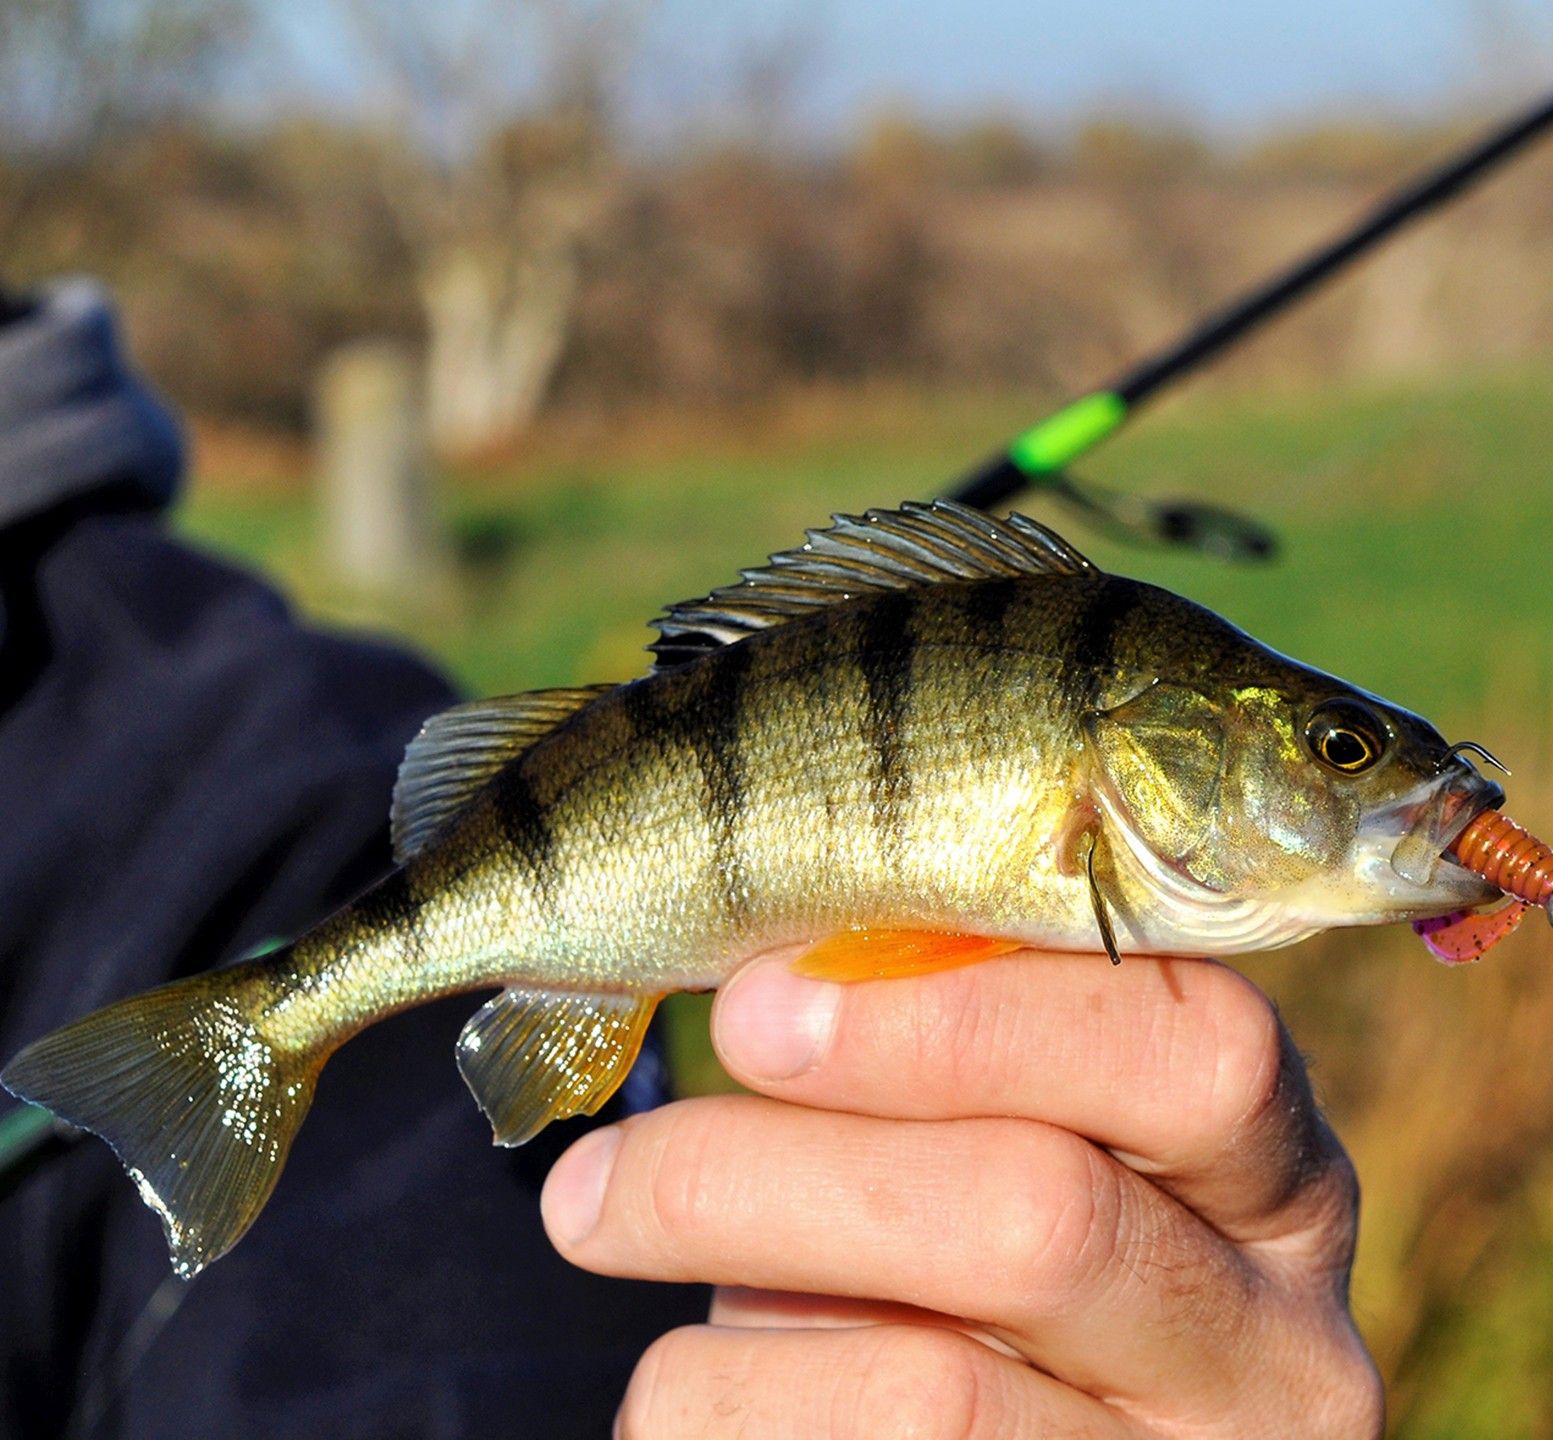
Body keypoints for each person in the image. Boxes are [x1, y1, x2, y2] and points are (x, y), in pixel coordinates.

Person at [0, 278, 1384, 1437]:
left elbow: (423, 1340)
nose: (1363, 778)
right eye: (1340, 750)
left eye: (1340, 752)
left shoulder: (254, 791)